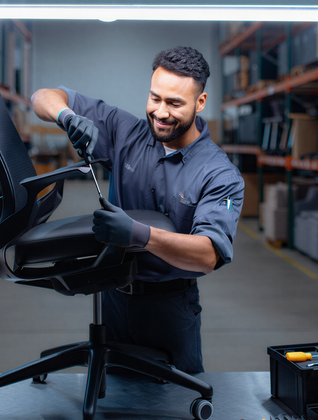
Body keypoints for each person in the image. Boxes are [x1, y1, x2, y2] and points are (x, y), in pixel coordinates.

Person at [31, 46, 244, 374]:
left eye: (174, 103)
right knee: (115, 400)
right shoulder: (123, 132)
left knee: (179, 407)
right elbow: (43, 96)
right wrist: (67, 116)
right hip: (113, 300)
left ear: (200, 103)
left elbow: (208, 254)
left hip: (170, 308)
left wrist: (138, 235)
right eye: (155, 98)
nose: (160, 112)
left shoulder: (221, 176)